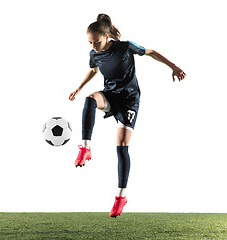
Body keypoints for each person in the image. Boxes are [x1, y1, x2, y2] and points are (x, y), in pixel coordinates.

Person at [69, 13, 186, 218]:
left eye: (96, 42)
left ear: (107, 37)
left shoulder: (125, 47)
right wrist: (78, 88)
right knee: (89, 99)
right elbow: (94, 70)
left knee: (121, 147)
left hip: (129, 101)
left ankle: (120, 197)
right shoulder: (93, 54)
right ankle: (85, 147)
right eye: (90, 43)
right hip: (111, 96)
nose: (93, 46)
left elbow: (151, 52)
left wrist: (173, 66)